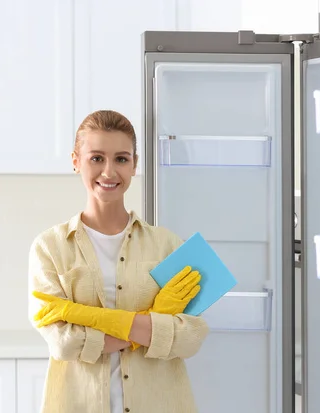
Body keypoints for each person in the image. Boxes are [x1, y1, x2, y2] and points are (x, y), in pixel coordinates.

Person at [28, 110, 209, 413]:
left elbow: (191, 338)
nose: (109, 172)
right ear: (76, 161)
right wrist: (153, 320)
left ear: (135, 164)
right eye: (96, 158)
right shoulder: (50, 247)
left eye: (121, 159)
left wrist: (86, 319)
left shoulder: (169, 245)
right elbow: (64, 344)